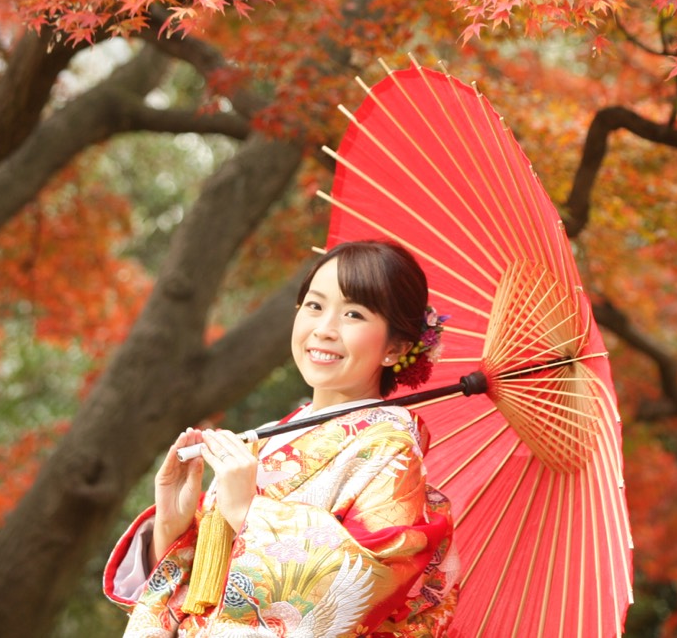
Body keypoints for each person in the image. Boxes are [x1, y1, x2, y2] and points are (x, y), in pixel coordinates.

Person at [103, 240, 459, 637]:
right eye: (314, 305)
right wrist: (173, 525)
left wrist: (248, 514)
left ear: (395, 348)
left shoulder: (389, 450)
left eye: (354, 314)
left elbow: (370, 580)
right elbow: (200, 592)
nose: (324, 329)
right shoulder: (272, 435)